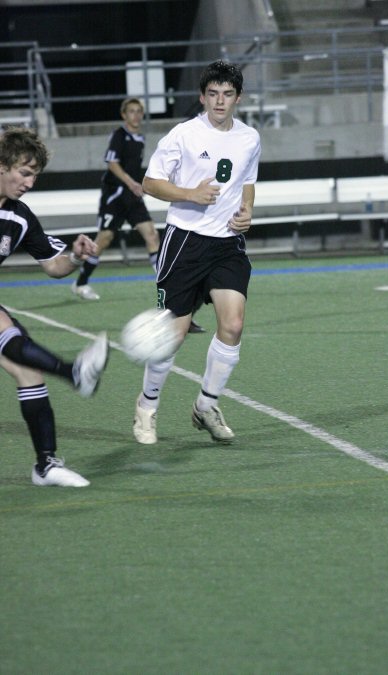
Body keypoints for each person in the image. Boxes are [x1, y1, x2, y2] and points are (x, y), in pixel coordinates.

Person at [133, 60, 261, 445]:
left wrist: (248, 212)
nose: (219, 101)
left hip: (228, 244)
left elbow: (248, 180)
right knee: (173, 335)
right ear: (203, 97)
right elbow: (149, 183)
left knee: (233, 325)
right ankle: (147, 406)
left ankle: (206, 405)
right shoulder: (183, 135)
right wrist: (190, 193)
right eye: (213, 94)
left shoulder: (250, 138)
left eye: (227, 94)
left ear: (237, 97)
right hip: (185, 242)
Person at [0, 127, 109, 487]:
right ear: (1, 166)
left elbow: (53, 265)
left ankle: (46, 465)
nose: (29, 182)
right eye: (24, 172)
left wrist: (76, 258)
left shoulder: (19, 217)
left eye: (34, 176)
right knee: (11, 338)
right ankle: (74, 372)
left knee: (27, 371)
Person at [70, 96, 205, 333]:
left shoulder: (140, 138)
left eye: (138, 111)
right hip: (115, 196)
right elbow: (112, 163)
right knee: (104, 240)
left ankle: (161, 279)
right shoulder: (119, 135)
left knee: (151, 234)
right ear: (124, 115)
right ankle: (80, 283)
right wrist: (132, 183)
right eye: (131, 111)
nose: (135, 115)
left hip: (132, 197)